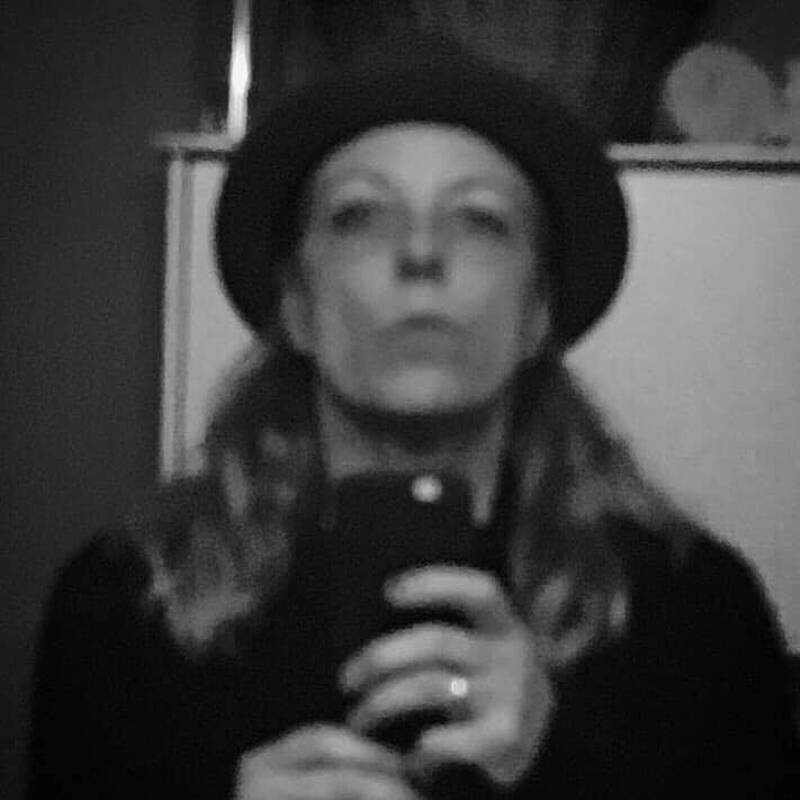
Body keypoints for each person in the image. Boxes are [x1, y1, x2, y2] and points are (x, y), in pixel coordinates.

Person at [28, 34, 799, 799]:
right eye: (360, 216)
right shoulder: (126, 604)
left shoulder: (696, 612)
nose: (422, 252)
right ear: (296, 306)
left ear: (538, 313)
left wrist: (555, 766)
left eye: (481, 220)